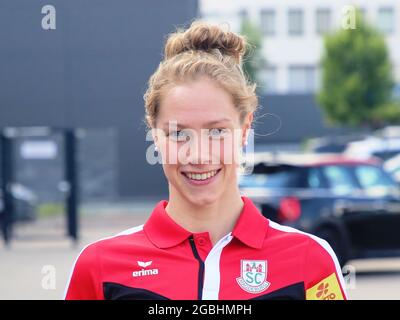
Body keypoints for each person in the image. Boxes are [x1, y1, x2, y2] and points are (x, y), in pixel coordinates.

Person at [64, 21, 347, 300]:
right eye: (178, 133)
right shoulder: (100, 267)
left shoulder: (310, 259)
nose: (198, 155)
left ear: (245, 129)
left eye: (216, 131)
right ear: (155, 135)